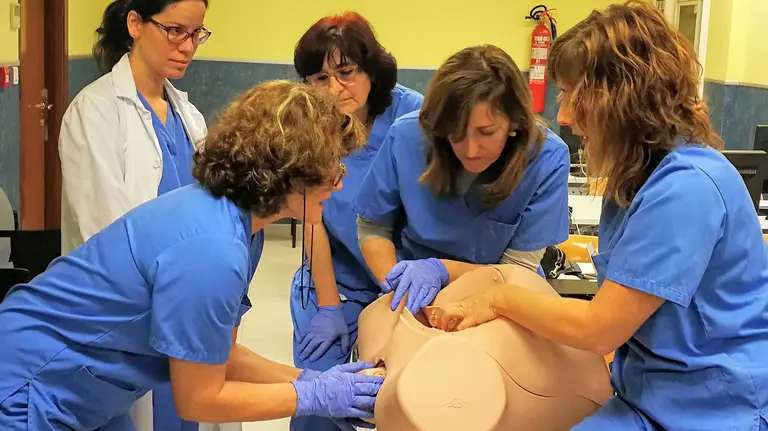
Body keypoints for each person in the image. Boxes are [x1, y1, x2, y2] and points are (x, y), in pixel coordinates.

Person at [432, 2, 768, 430]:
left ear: (622, 98)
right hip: (648, 394)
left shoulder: (687, 188)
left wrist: (498, 299)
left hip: (717, 408)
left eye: (573, 95)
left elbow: (600, 329)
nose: (564, 117)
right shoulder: (634, 180)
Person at [0, 80, 383, 431]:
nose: (339, 181)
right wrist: (313, 397)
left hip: (85, 386)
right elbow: (199, 398)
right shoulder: (212, 248)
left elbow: (221, 353)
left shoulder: (239, 224)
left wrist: (310, 380)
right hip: (30, 381)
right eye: (332, 165)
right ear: (290, 170)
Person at [58, 1, 213, 429]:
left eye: (196, 34)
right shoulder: (95, 112)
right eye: (175, 30)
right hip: (128, 320)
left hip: (185, 316)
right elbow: (107, 233)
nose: (187, 46)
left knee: (188, 412)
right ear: (135, 24)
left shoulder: (189, 117)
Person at [353, 44, 571, 317]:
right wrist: (400, 290)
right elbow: (373, 226)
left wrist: (443, 271)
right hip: (416, 297)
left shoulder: (546, 158)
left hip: (503, 298)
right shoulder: (408, 136)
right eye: (455, 132)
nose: (470, 149)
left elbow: (516, 273)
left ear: (515, 122)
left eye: (486, 132)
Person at [288, 12, 423, 431]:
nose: (334, 90)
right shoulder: (309, 123)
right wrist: (329, 306)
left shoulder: (414, 119)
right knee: (317, 396)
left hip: (404, 278)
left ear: (372, 69)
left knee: (404, 399)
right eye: (320, 79)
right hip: (336, 275)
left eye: (346, 73)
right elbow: (312, 217)